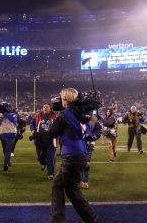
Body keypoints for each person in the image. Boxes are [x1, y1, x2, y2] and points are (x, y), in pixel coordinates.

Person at [49, 88, 97, 223]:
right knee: (57, 185)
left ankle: (90, 218)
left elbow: (52, 133)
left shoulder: (65, 115)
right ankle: (57, 219)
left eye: (61, 98)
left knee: (73, 192)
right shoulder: (80, 113)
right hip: (79, 154)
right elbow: (90, 125)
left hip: (71, 157)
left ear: (66, 100)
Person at [30, 103, 57, 180]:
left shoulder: (55, 116)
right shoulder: (38, 115)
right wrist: (33, 130)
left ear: (50, 108)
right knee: (40, 157)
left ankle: (50, 173)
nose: (45, 108)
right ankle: (43, 163)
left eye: (47, 107)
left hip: (51, 141)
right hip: (39, 140)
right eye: (44, 106)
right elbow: (32, 123)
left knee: (50, 157)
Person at [81, 114, 102, 189]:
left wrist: (93, 138)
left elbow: (99, 131)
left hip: (88, 145)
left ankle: (84, 181)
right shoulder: (77, 116)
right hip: (77, 144)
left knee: (86, 163)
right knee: (77, 163)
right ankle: (77, 180)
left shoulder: (94, 120)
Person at [0, 103, 18, 171]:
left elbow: (13, 120)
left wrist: (4, 114)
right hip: (2, 134)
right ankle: (8, 161)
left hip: (11, 134)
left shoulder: (13, 114)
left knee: (8, 150)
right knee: (5, 150)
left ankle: (5, 165)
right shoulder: (1, 115)